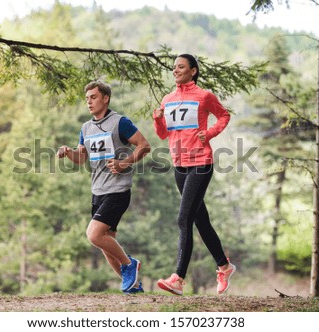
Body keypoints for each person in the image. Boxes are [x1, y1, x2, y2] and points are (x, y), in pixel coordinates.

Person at [153, 54, 236, 295]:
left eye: (180, 67)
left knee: (183, 218)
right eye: (174, 67)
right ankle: (224, 265)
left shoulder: (204, 96)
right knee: (200, 220)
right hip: (180, 165)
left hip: (201, 162)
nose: (175, 70)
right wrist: (157, 120)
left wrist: (209, 134)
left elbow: (224, 115)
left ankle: (178, 278)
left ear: (193, 71)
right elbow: (162, 134)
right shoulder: (168, 99)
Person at [57, 80, 150, 294]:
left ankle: (130, 265)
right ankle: (134, 287)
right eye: (87, 98)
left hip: (118, 191)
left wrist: (123, 163)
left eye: (94, 97)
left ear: (105, 98)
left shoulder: (120, 122)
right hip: (97, 191)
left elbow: (145, 146)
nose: (89, 102)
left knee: (94, 235)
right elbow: (81, 158)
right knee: (106, 243)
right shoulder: (86, 128)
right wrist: (68, 152)